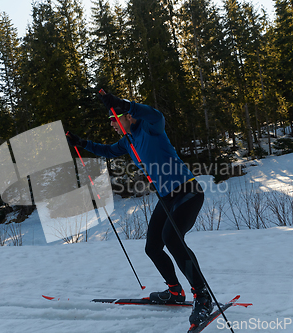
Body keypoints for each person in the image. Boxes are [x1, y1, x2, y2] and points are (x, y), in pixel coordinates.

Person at [66, 92, 212, 328]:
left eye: (113, 119)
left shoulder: (150, 126)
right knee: (152, 246)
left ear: (127, 117)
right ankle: (175, 292)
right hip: (167, 197)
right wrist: (83, 144)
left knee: (172, 239)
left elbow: (155, 113)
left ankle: (203, 296)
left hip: (188, 191)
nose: (111, 124)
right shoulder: (128, 140)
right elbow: (108, 151)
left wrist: (123, 104)